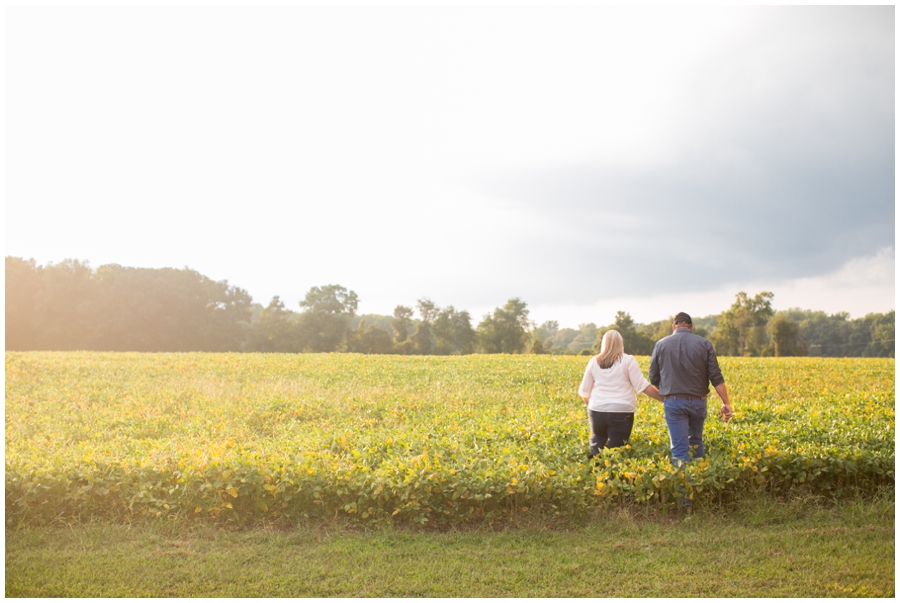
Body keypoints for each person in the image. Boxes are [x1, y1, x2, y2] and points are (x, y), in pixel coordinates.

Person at [649, 312, 733, 466]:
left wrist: (668, 388)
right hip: (698, 402)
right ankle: (699, 481)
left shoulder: (661, 344)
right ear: (691, 327)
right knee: (696, 443)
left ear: (674, 327)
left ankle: (683, 488)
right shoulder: (705, 344)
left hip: (673, 403)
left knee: (679, 450)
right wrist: (725, 402)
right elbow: (716, 376)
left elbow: (653, 376)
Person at [578, 329, 664, 457]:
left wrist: (592, 406)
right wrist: (665, 399)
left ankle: (594, 470)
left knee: (597, 441)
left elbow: (585, 391)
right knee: (616, 449)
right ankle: (613, 473)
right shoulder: (628, 360)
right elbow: (642, 386)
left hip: (596, 409)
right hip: (621, 411)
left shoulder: (593, 361)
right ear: (620, 343)